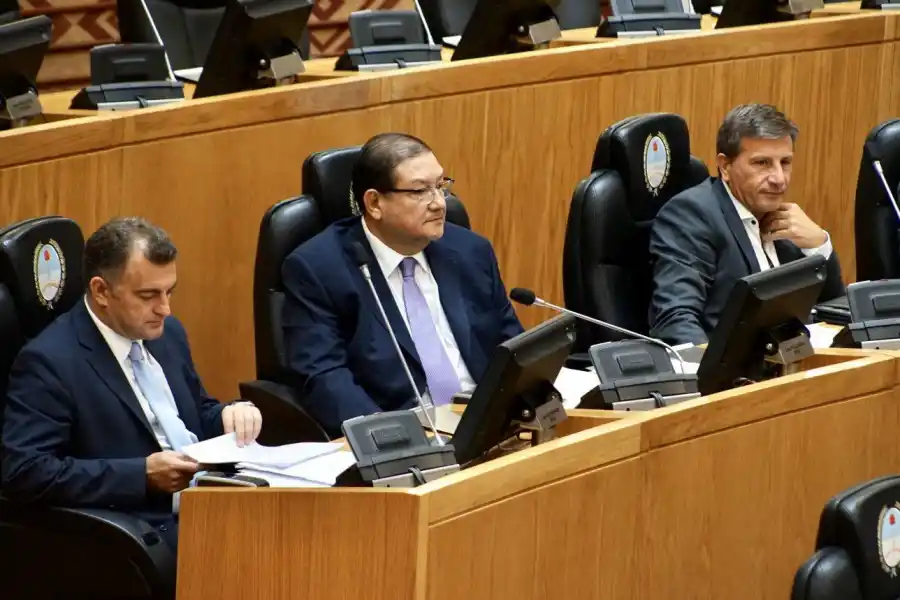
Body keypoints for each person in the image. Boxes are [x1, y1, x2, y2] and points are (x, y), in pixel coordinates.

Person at [2, 217, 262, 553]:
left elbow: (194, 413)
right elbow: (26, 471)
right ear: (101, 291)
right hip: (142, 532)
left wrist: (230, 414)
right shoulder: (49, 363)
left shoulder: (167, 333)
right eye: (148, 295)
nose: (165, 309)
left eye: (169, 292)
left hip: (212, 500)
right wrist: (140, 475)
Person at [282, 133, 524, 435]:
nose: (439, 203)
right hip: (403, 431)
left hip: (489, 423)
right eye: (420, 191)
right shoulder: (319, 268)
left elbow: (511, 344)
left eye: (441, 186)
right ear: (374, 203)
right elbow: (325, 378)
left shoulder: (469, 251)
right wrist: (396, 438)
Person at [649, 103, 844, 345]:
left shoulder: (785, 220)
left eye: (785, 162)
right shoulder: (692, 215)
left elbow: (834, 309)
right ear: (725, 166)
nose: (779, 179)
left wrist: (819, 245)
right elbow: (675, 319)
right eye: (762, 163)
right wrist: (711, 376)